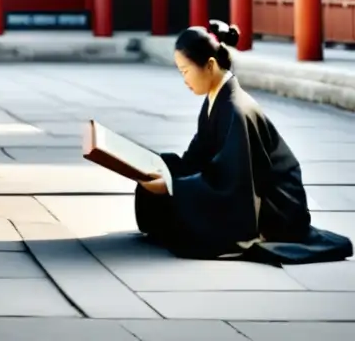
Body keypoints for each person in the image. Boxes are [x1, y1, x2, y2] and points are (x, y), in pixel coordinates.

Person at [135, 19, 353, 264]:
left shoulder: (236, 108)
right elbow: (198, 156)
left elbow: (230, 182)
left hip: (274, 207)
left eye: (185, 71)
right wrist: (166, 172)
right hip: (243, 185)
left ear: (209, 65)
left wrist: (172, 186)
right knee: (166, 165)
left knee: (180, 202)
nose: (184, 78)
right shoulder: (216, 99)